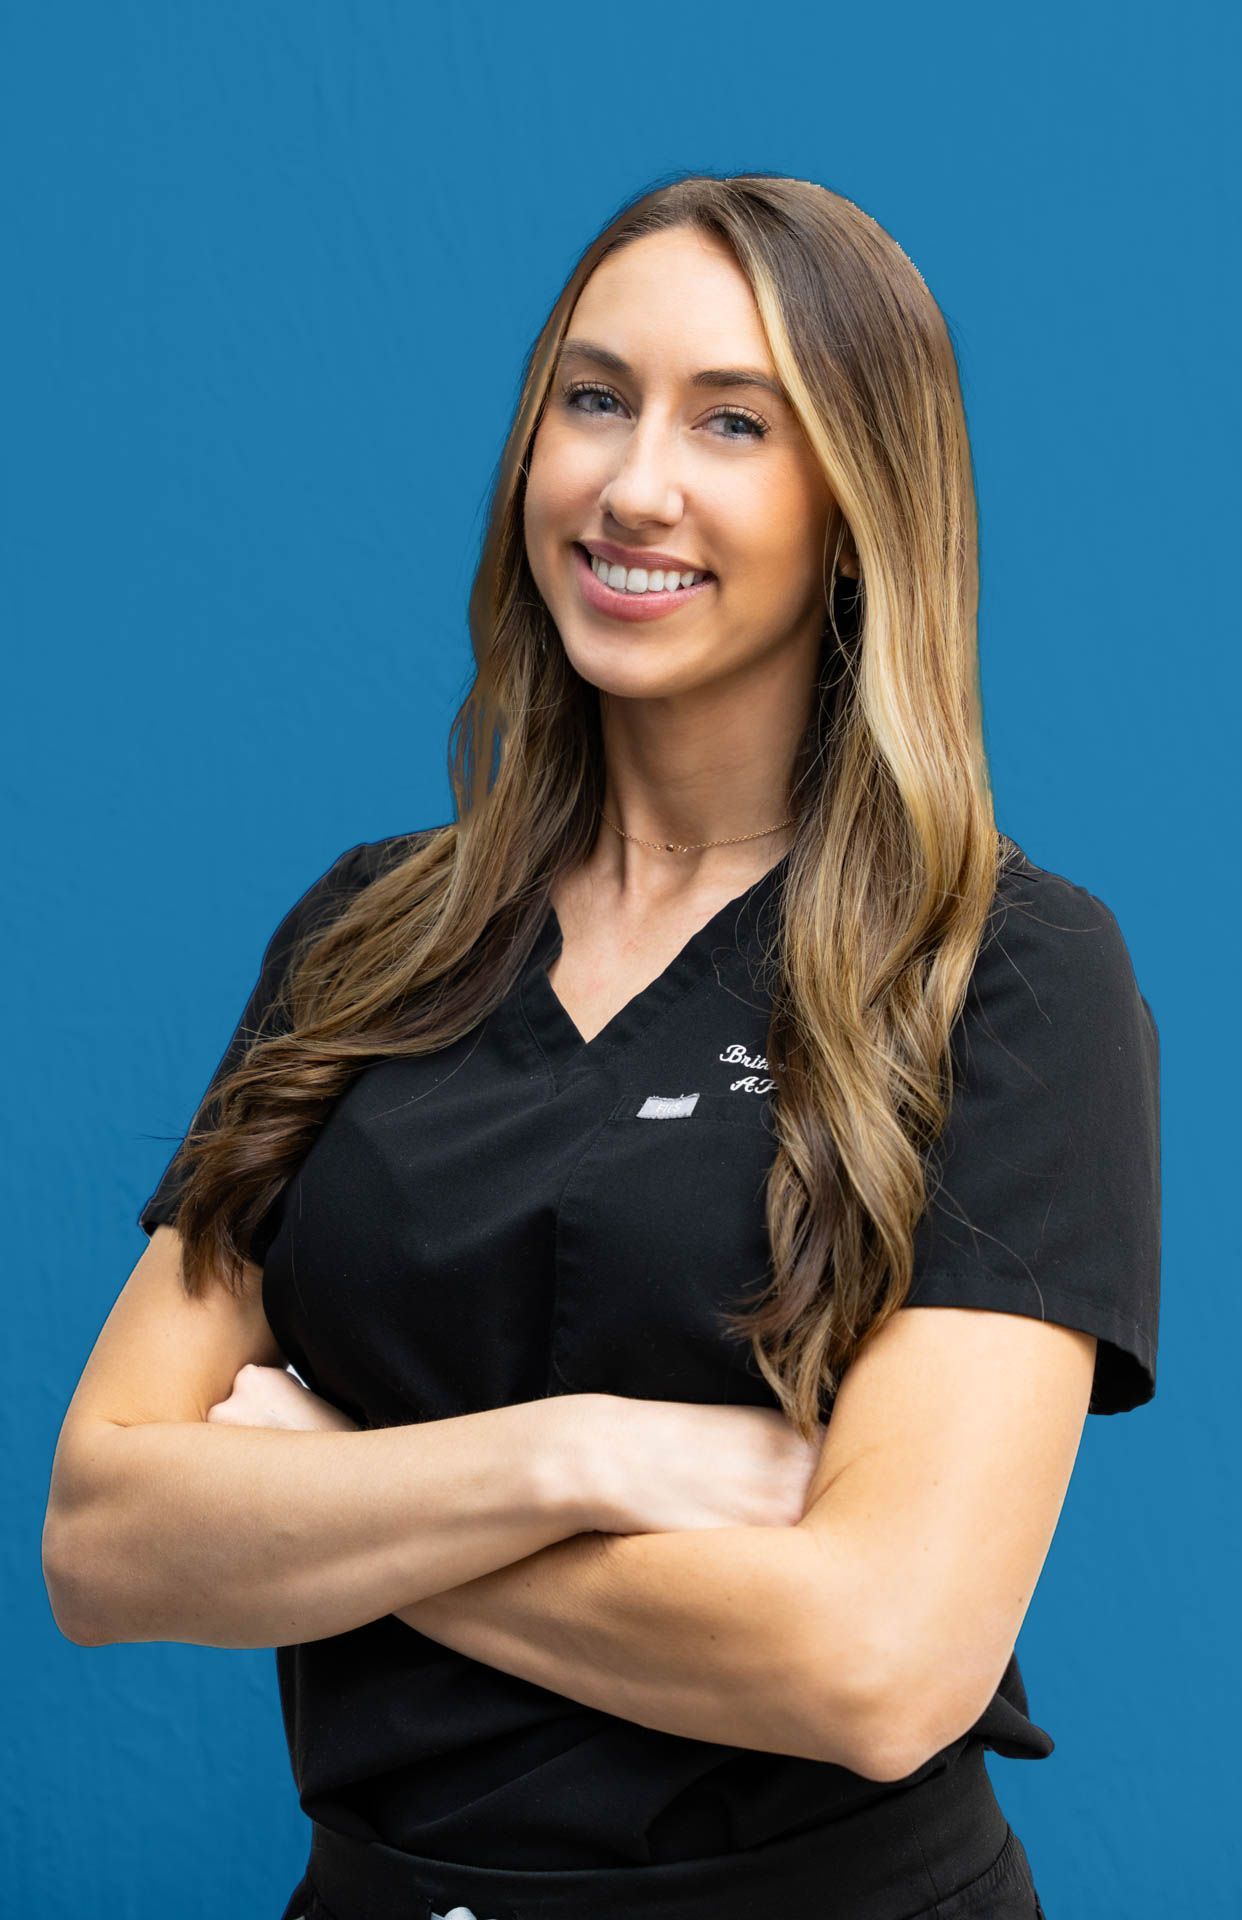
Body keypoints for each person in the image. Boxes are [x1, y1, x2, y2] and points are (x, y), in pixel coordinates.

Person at [45, 173, 1159, 1920]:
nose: (636, 484)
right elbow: (102, 1540)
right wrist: (564, 1452)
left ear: (857, 509)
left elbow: (878, 1661)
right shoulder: (366, 937)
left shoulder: (1003, 973)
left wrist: (324, 1501)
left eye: (735, 422)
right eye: (594, 397)